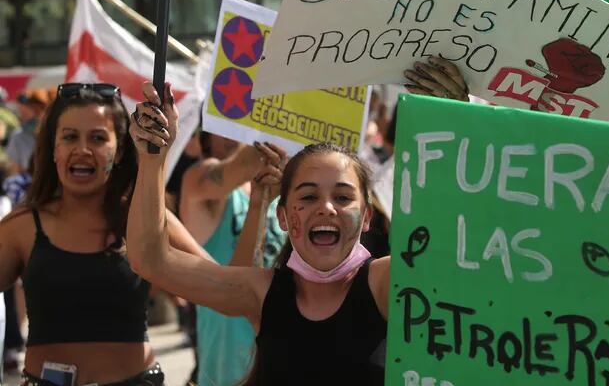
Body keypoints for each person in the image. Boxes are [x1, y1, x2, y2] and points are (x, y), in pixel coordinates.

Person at [127, 82, 389, 386]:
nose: (326, 208)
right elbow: (149, 259)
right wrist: (152, 158)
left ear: (367, 215)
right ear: (282, 216)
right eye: (307, 197)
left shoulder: (385, 283)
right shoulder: (261, 293)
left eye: (343, 197)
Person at [0, 82, 210, 385]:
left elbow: (221, 287)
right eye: (70, 137)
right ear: (54, 149)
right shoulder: (22, 225)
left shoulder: (145, 218)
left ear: (121, 150)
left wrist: (257, 204)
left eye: (98, 138)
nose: (82, 150)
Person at [179, 131, 287, 386]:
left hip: (275, 358)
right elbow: (241, 166)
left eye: (244, 126)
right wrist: (281, 124)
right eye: (228, 126)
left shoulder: (278, 192)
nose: (236, 134)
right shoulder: (199, 178)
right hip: (226, 368)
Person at [6, 89, 49, 175]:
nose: (22, 118)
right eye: (21, 113)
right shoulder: (18, 137)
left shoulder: (56, 135)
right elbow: (15, 171)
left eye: (25, 113)